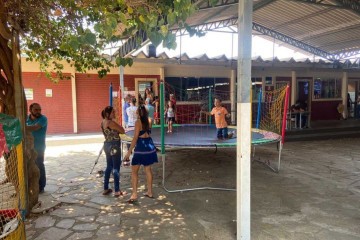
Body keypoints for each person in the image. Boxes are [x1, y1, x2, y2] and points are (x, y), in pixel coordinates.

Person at [123, 105, 158, 203]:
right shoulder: (150, 120)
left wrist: (128, 152)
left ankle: (134, 194)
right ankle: (150, 192)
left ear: (138, 113)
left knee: (134, 171)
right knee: (148, 169)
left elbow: (135, 138)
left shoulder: (138, 122)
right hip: (149, 146)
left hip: (141, 147)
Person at [101, 106, 126, 197]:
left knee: (109, 167)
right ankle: (117, 190)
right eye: (113, 112)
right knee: (116, 168)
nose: (114, 113)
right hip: (114, 146)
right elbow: (122, 130)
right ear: (108, 114)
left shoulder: (102, 122)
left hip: (107, 145)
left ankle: (105, 188)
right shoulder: (111, 123)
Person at [26, 103, 48, 193]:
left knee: (39, 166)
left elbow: (35, 127)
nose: (38, 112)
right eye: (36, 110)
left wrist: (20, 127)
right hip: (27, 148)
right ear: (30, 110)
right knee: (28, 166)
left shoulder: (43, 119)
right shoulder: (26, 119)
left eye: (39, 110)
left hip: (39, 147)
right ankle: (29, 186)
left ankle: (41, 187)